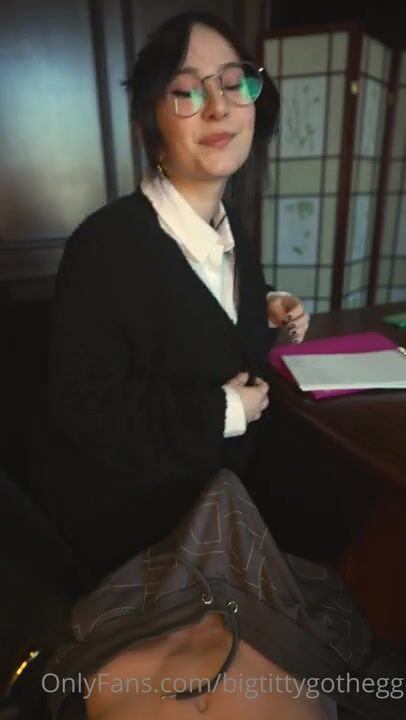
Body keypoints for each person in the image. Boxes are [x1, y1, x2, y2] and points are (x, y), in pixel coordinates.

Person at [33, 11, 310, 589]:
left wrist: (266, 302)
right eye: (186, 91)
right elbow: (83, 413)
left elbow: (201, 318)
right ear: (151, 122)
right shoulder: (105, 245)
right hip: (147, 553)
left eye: (233, 83)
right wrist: (223, 412)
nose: (219, 107)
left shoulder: (231, 231)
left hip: (231, 520)